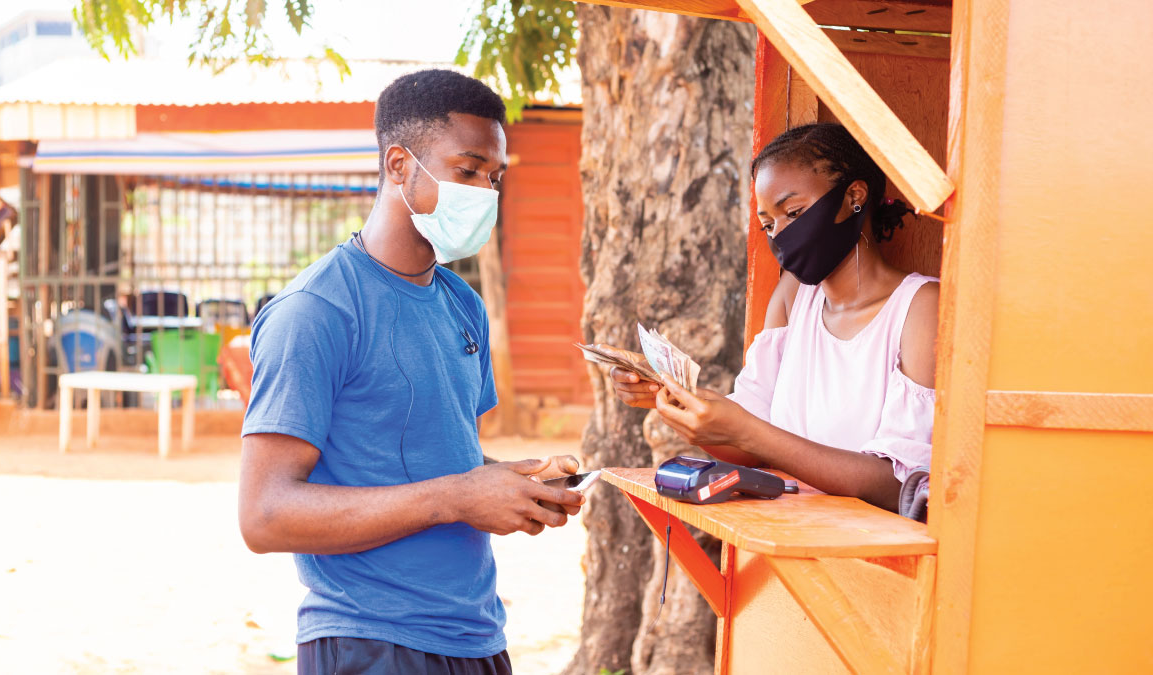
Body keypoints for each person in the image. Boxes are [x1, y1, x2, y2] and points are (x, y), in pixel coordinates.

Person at [237, 69, 585, 675]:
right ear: (399, 165)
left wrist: (514, 481)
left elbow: (440, 460)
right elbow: (264, 515)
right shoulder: (316, 312)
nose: (485, 192)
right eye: (467, 170)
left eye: (495, 178)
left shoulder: (461, 303)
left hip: (475, 634)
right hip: (370, 642)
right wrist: (456, 498)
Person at [608, 123, 938, 512]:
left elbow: (897, 486)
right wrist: (675, 402)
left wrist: (749, 432)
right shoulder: (793, 296)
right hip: (779, 537)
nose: (780, 235)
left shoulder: (920, 306)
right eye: (768, 224)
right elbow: (745, 443)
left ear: (854, 197)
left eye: (794, 212)